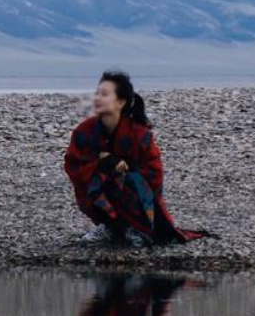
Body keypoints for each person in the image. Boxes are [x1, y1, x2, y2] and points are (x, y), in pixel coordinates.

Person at [62, 70, 209, 247]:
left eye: (105, 94)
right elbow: (74, 163)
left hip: (138, 198)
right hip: (102, 191)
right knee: (95, 179)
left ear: (121, 102)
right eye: (97, 93)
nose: (98, 98)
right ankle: (109, 226)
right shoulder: (84, 131)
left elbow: (154, 173)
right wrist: (103, 162)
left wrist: (125, 167)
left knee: (127, 179)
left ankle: (135, 227)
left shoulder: (139, 134)